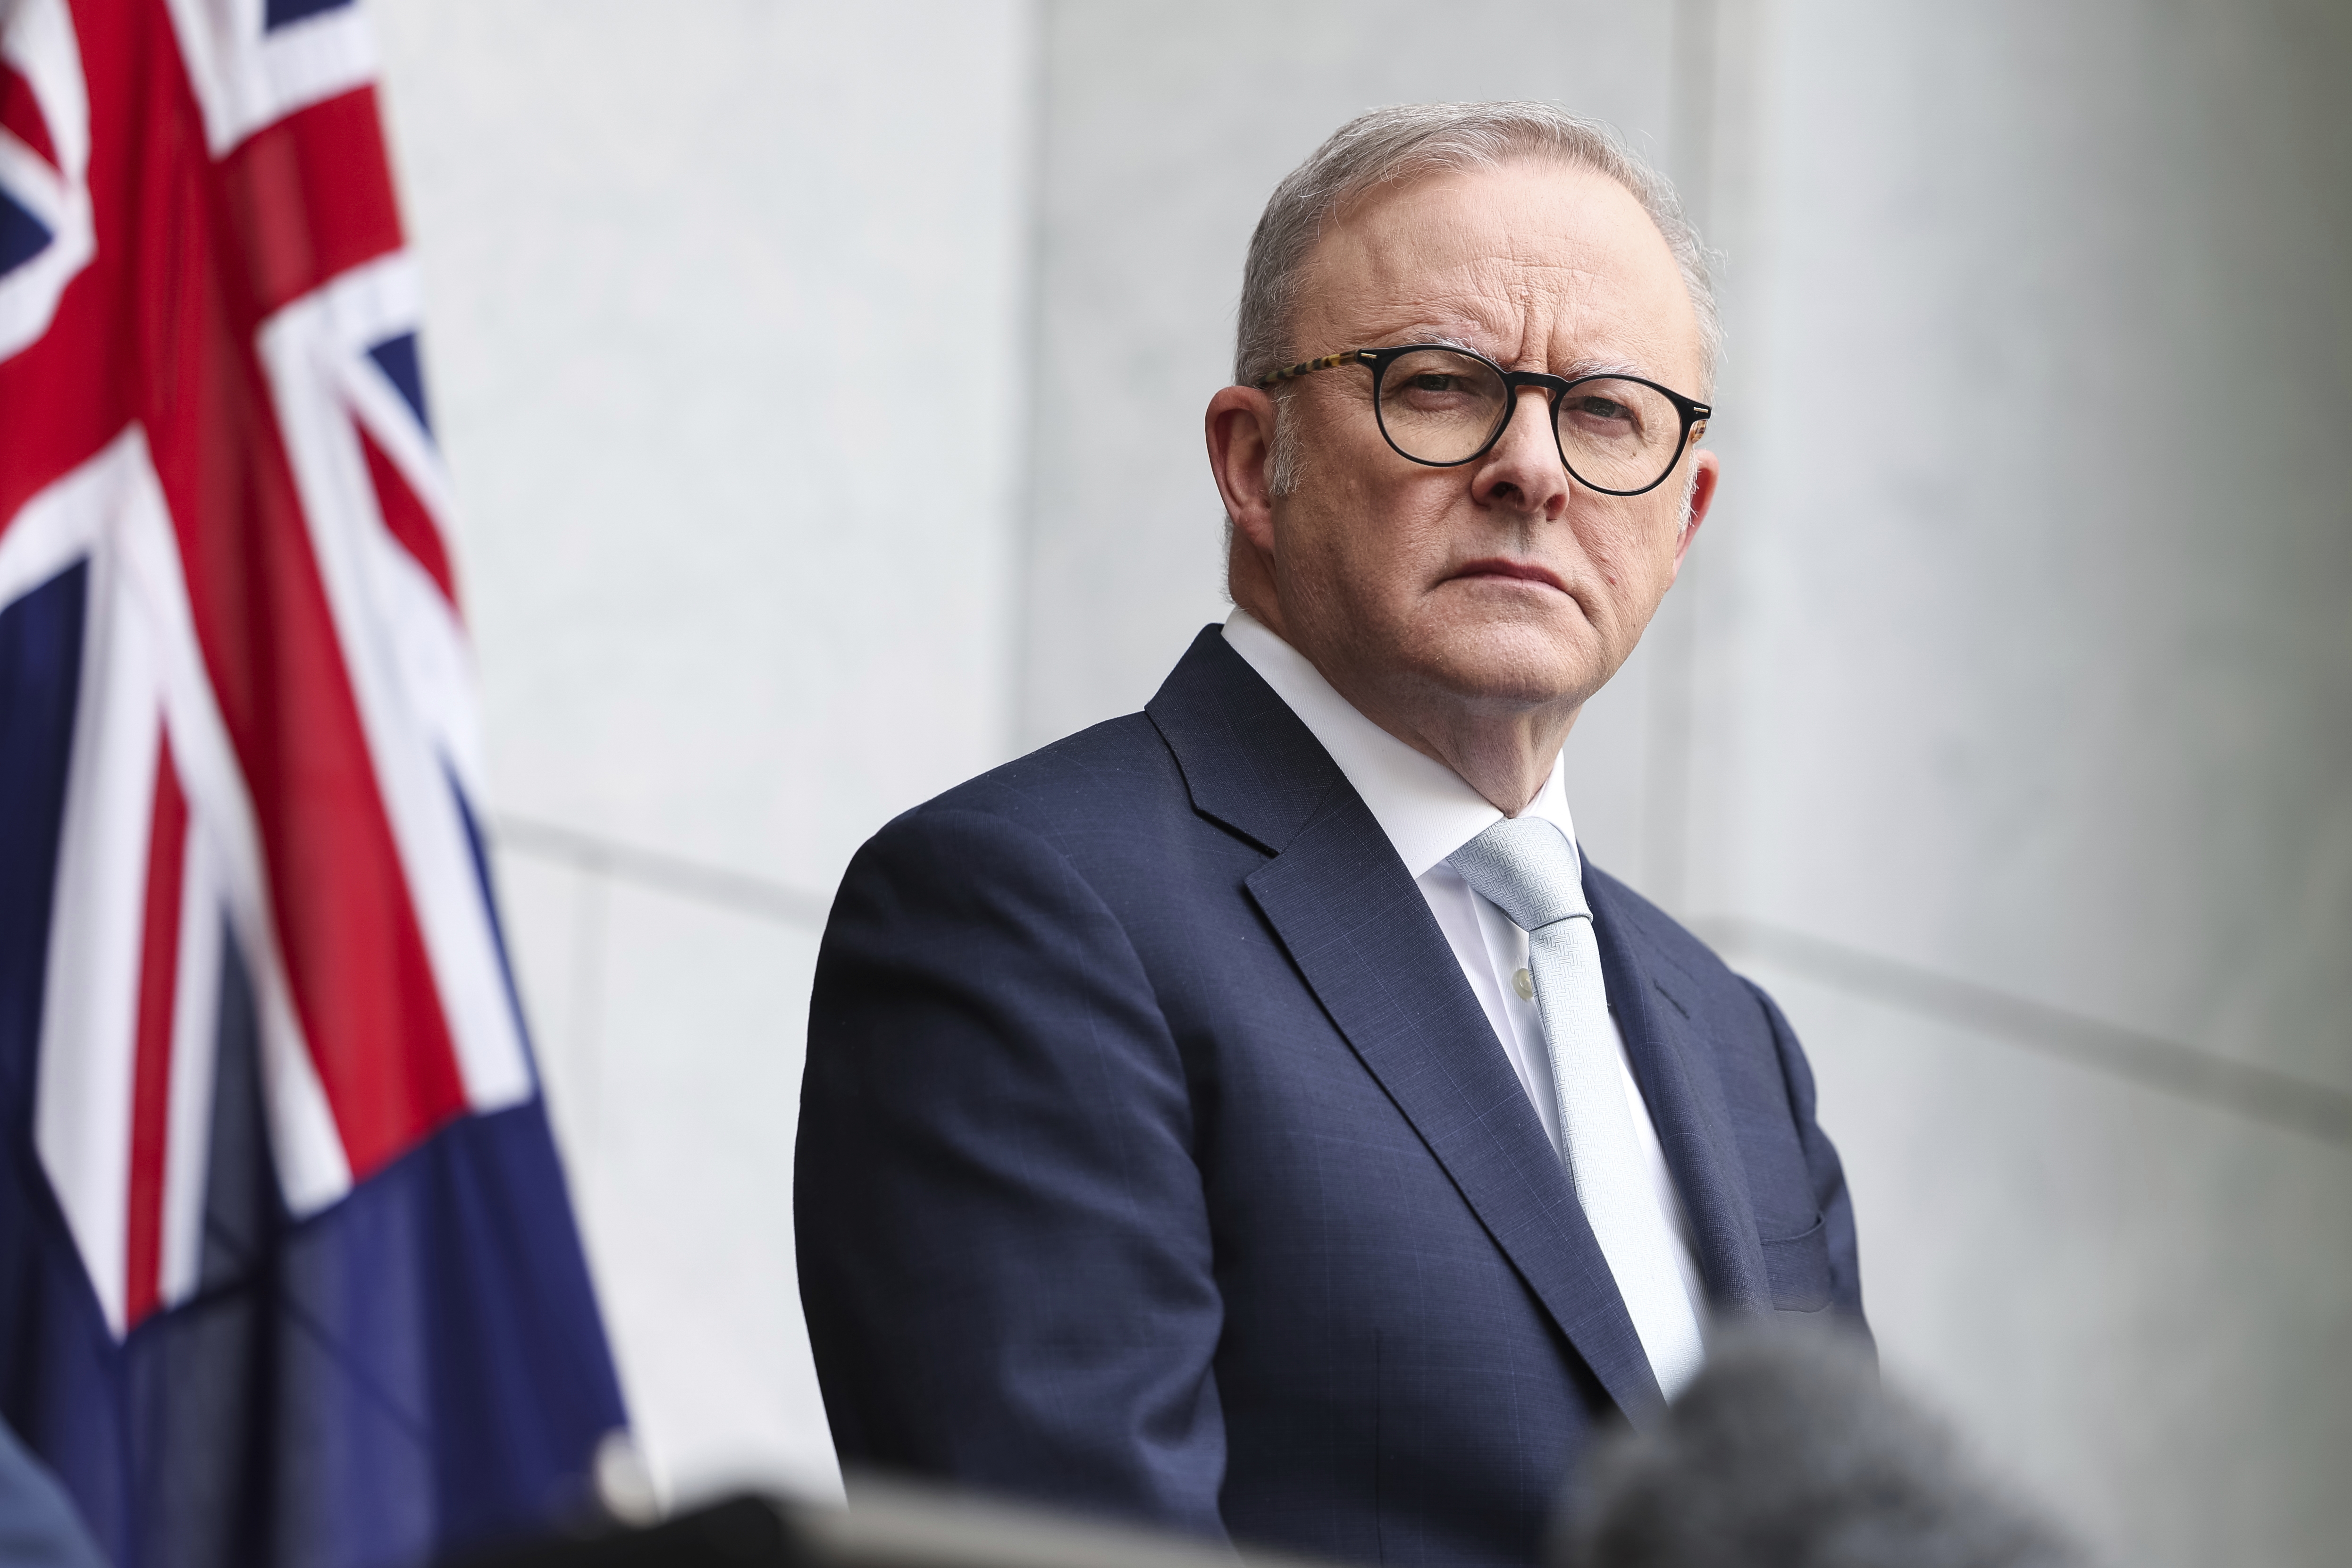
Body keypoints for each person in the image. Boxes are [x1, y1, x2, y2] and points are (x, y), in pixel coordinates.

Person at [796, 102, 1865, 1568]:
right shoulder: (1026, 912)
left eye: (1608, 412)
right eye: (1440, 385)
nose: (1534, 469)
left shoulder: (1737, 1047)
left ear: (1683, 519)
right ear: (1253, 461)